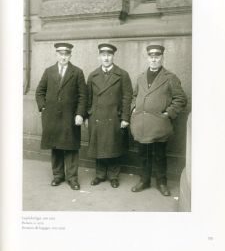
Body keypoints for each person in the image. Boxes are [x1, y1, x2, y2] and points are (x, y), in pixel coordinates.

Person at [130, 43, 187, 196]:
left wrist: (168, 113)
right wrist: (133, 108)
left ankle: (162, 182)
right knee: (143, 155)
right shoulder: (141, 77)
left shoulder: (170, 78)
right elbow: (134, 95)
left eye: (157, 56)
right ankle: (144, 180)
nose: (154, 60)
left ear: (162, 57)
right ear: (147, 58)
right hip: (141, 125)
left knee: (159, 155)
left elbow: (181, 98)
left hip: (159, 125)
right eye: (151, 56)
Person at [35, 42, 87, 190]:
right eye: (61, 54)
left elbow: (83, 96)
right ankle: (58, 176)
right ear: (56, 55)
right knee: (55, 146)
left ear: (70, 55)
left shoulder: (77, 72)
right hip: (52, 117)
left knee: (71, 147)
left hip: (70, 117)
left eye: (66, 54)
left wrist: (79, 114)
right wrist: (43, 107)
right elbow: (40, 91)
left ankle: (72, 178)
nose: (63, 57)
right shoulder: (49, 71)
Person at [86, 43, 133, 188]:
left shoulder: (122, 74)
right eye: (103, 55)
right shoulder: (93, 75)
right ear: (99, 56)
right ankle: (100, 175)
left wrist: (125, 117)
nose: (106, 58)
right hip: (97, 117)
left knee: (113, 146)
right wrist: (88, 115)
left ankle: (113, 176)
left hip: (114, 116)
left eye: (109, 55)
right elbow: (88, 98)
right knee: (99, 146)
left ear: (113, 56)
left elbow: (127, 97)